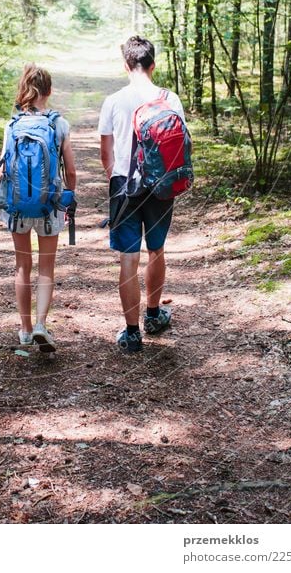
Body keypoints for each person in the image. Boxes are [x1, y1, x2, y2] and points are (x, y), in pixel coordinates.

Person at [98, 36, 186, 353]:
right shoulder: (170, 99)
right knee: (157, 249)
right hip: (161, 183)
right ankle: (153, 314)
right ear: (153, 64)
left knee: (128, 256)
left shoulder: (113, 101)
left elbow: (105, 153)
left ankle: (132, 333)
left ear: (126, 65)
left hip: (124, 184)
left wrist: (118, 178)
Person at [0, 64, 76, 353]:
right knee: (46, 267)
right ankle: (42, 324)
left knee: (22, 266)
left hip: (18, 206)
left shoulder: (12, 125)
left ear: (25, 89)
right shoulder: (59, 124)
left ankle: (25, 329)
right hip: (50, 205)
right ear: (49, 91)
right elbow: (70, 170)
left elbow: (3, 168)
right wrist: (70, 195)